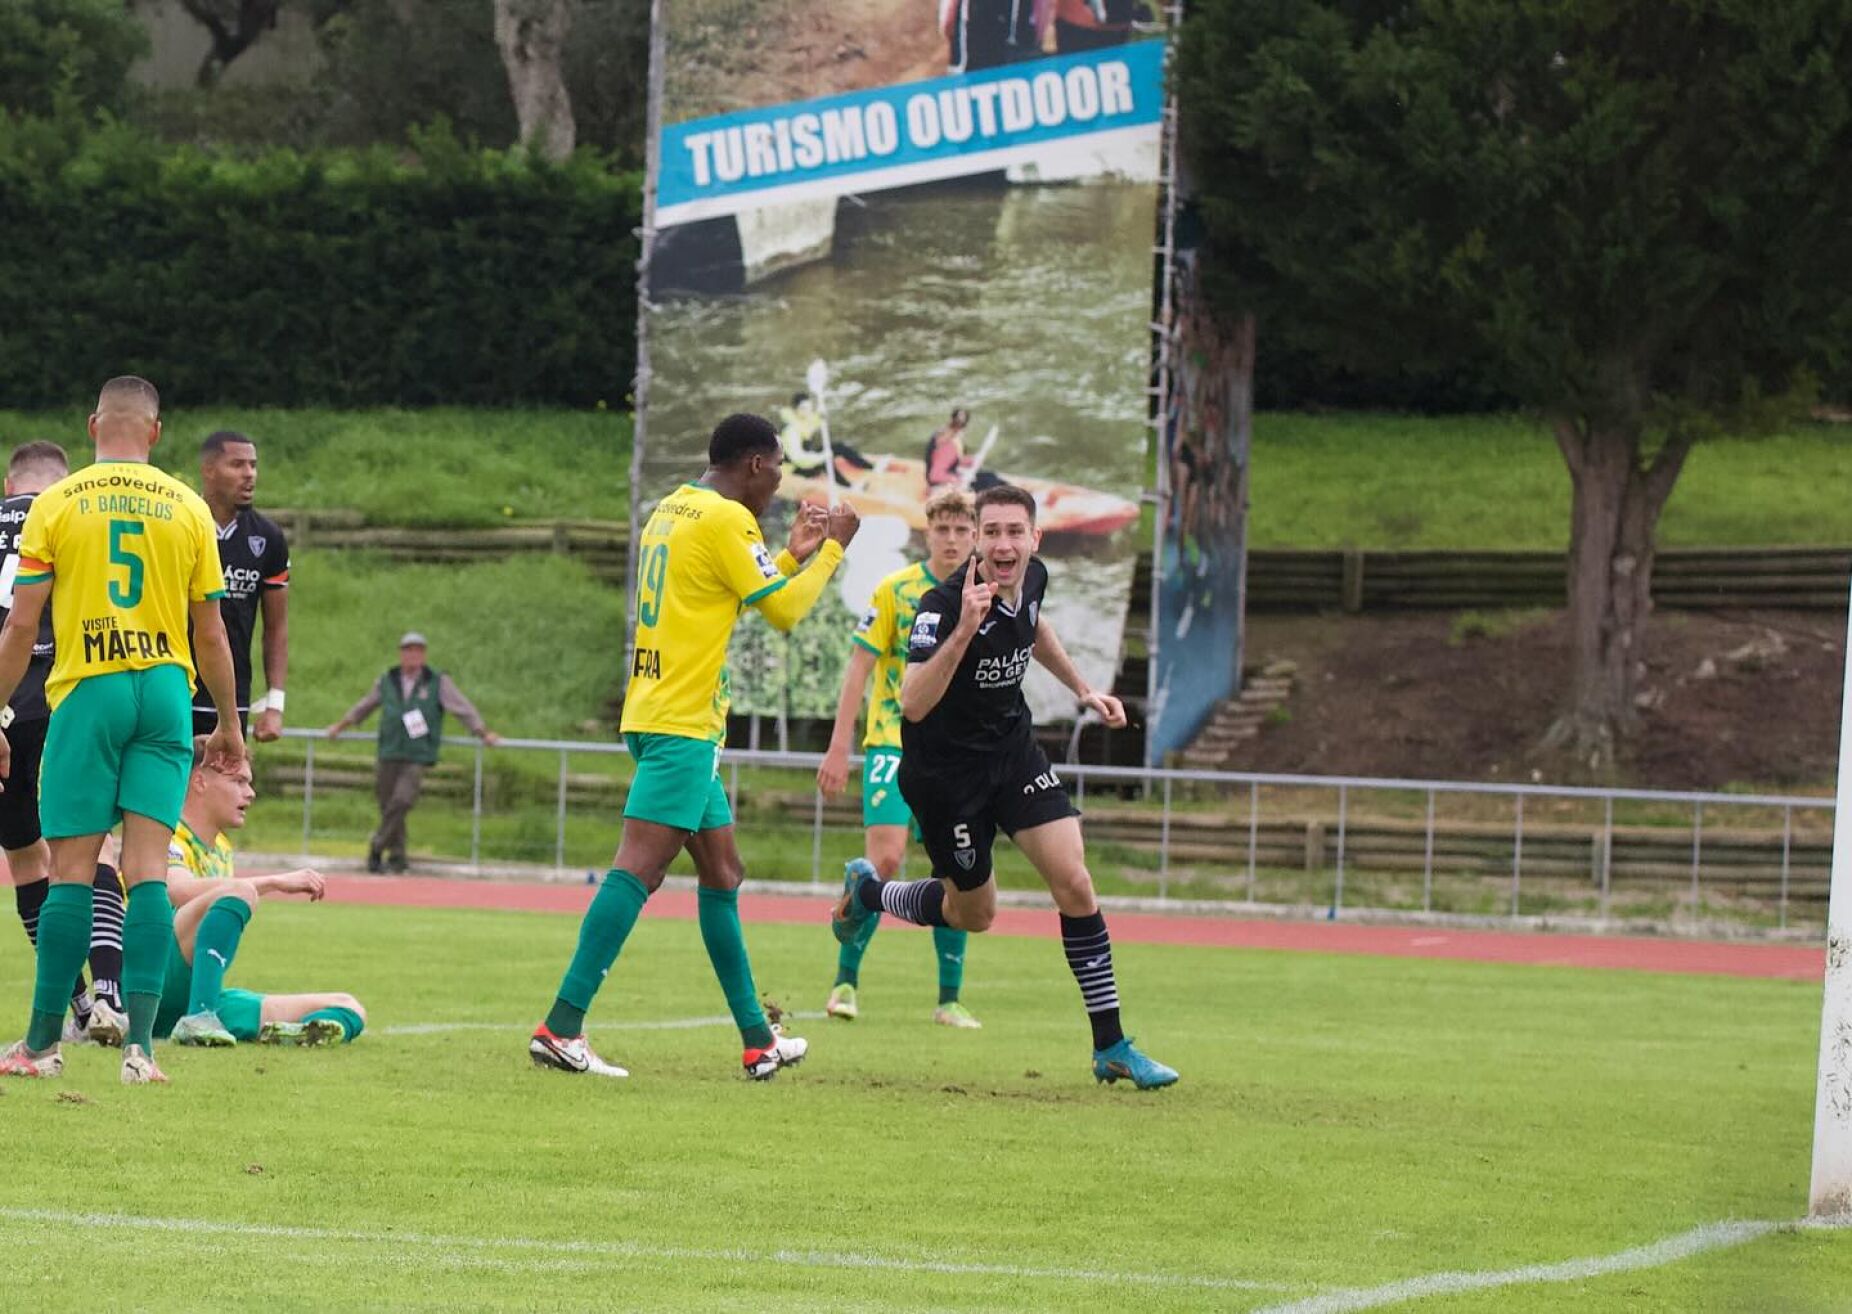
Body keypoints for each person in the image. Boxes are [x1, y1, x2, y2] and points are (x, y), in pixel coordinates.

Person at [530, 412, 860, 1081]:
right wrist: (833, 550)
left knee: (723, 873)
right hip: (683, 722)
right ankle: (562, 1026)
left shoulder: (674, 507)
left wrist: (791, 555)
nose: (775, 496)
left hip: (660, 713)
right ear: (756, 465)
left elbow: (721, 598)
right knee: (638, 871)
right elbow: (785, 613)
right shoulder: (726, 519)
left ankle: (755, 1041)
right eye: (776, 477)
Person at [831, 484, 1178, 1088]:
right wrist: (964, 630)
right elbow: (911, 704)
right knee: (974, 914)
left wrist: (1082, 689)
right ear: (978, 541)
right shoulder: (942, 606)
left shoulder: (1034, 578)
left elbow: (1034, 627)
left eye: (1014, 532)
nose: (1003, 544)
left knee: (1074, 880)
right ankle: (869, 895)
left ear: (1034, 539)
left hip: (1011, 754)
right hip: (945, 778)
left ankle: (1112, 1045)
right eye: (991, 532)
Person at [0, 375, 244, 1086]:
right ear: (157, 433)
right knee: (143, 873)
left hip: (89, 688)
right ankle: (142, 1051)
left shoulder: (58, 501)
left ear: (92, 426)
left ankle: (40, 1046)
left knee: (71, 872)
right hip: (167, 691)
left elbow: (20, 624)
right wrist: (228, 724)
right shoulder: (190, 507)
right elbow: (213, 633)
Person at [817, 486, 982, 1027]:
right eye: (943, 530)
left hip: (957, 754)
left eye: (962, 530)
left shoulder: (986, 594)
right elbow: (860, 668)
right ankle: (844, 983)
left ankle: (949, 999)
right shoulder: (896, 590)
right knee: (885, 860)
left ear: (974, 535)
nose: (953, 539)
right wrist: (840, 746)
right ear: (927, 532)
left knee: (957, 869)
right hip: (893, 741)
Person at [159, 736, 365, 1048]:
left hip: (193, 995)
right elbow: (178, 889)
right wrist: (274, 882)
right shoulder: (166, 833)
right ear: (200, 782)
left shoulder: (222, 849)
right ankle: (199, 1018)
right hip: (150, 984)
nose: (250, 793)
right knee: (240, 891)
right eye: (239, 781)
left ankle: (286, 1031)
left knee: (349, 1005)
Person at [0, 441, 96, 1043]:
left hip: (3, 704)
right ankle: (101, 998)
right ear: (64, 480)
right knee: (84, 853)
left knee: (22, 854)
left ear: (9, 482)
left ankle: (80, 1002)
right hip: (65, 698)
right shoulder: (74, 516)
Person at [325, 634, 502, 873]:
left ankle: (376, 846)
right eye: (408, 650)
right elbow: (365, 706)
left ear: (424, 655)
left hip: (417, 753)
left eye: (418, 650)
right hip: (389, 749)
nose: (413, 655)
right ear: (401, 653)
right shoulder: (388, 679)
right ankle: (398, 857)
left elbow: (462, 708)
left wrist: (482, 732)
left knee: (402, 800)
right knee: (387, 803)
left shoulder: (436, 681)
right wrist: (341, 725)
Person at [193, 430, 291, 741]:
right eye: (237, 465)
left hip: (230, 700)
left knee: (224, 787)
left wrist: (274, 705)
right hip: (173, 692)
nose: (249, 475)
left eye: (253, 465)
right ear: (209, 470)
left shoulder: (268, 538)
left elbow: (276, 628)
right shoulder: (179, 526)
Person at [777, 392, 874, 488]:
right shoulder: (791, 432)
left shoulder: (803, 419)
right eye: (803, 408)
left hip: (806, 457)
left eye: (809, 408)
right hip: (795, 468)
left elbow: (814, 421)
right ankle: (848, 486)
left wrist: (821, 416)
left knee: (838, 447)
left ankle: (869, 467)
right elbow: (798, 458)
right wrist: (822, 456)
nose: (807, 411)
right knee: (824, 462)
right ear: (795, 410)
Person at [924, 408, 1002, 492]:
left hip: (946, 478)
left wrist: (972, 460)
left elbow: (949, 460)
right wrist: (959, 479)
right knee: (990, 481)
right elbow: (935, 475)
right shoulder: (948, 444)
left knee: (990, 477)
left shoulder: (943, 433)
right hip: (940, 486)